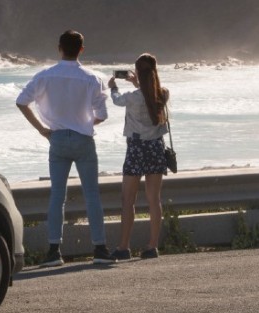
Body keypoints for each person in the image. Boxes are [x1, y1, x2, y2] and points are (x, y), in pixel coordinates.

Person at [16, 30, 112, 267]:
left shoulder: (44, 76)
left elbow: (21, 101)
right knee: (92, 195)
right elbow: (103, 114)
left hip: (56, 139)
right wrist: (86, 123)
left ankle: (53, 251)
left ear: (59, 48)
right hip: (83, 139)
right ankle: (99, 248)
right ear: (81, 49)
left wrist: (41, 129)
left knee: (57, 196)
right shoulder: (92, 78)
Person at [108, 53, 170, 260]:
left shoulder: (133, 97)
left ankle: (123, 246)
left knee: (128, 199)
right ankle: (152, 245)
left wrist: (113, 86)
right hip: (155, 148)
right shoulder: (162, 94)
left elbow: (117, 100)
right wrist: (138, 82)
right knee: (154, 199)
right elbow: (149, 92)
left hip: (136, 148)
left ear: (137, 71)